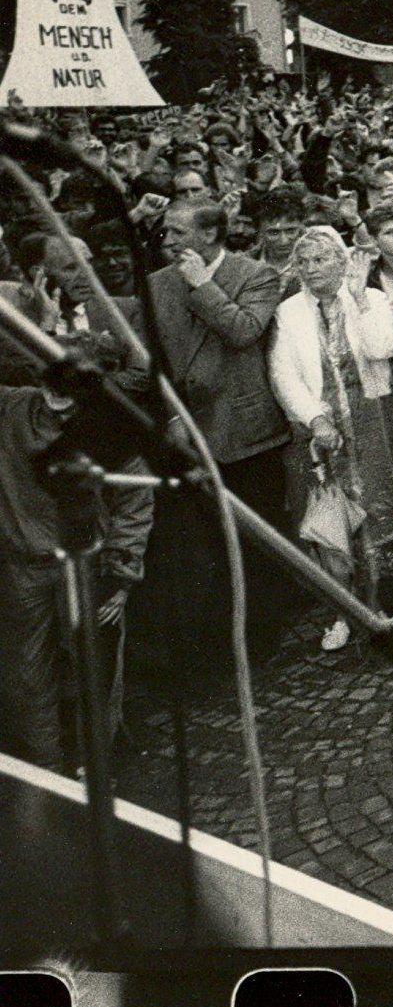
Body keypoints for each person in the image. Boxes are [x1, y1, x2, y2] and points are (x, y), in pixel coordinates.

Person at [139, 198, 293, 667]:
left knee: (258, 540)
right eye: (164, 233)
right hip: (188, 435)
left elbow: (244, 331)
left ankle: (261, 639)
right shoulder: (156, 285)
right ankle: (215, 642)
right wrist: (169, 418)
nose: (167, 242)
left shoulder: (257, 275)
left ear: (209, 234)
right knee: (204, 544)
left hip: (247, 435)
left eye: (178, 233)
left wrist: (203, 287)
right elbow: (153, 361)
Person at [269, 228, 393, 651]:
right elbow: (283, 374)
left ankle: (375, 607)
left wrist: (361, 300)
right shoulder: (288, 312)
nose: (311, 269)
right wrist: (314, 418)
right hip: (321, 427)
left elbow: (382, 349)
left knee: (376, 510)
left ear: (342, 263)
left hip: (373, 418)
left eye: (321, 260)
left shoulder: (371, 298)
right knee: (331, 519)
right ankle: (343, 610)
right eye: (303, 262)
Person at [0, 338, 152, 770]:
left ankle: (95, 765)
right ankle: (47, 770)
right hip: (22, 567)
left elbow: (135, 504)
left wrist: (121, 577)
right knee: (28, 676)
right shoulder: (12, 409)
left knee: (94, 673)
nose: (59, 403)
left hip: (86, 570)